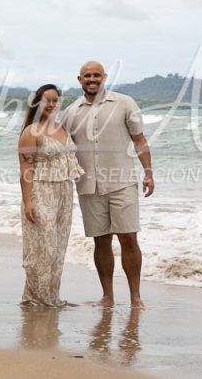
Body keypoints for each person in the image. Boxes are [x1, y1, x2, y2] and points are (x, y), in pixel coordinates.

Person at [63, 61, 154, 308]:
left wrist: (148, 172)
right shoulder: (71, 112)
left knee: (128, 238)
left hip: (122, 181)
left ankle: (135, 297)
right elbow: (61, 146)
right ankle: (107, 297)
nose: (92, 79)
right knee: (100, 241)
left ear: (104, 77)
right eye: (87, 76)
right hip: (88, 185)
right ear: (79, 79)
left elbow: (139, 139)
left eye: (96, 75)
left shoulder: (125, 103)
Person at [18, 84, 84, 307]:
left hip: (65, 191)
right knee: (42, 246)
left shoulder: (63, 128)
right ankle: (37, 297)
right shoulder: (31, 132)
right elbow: (25, 169)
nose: (52, 104)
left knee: (58, 246)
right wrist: (28, 202)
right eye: (47, 100)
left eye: (55, 100)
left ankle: (51, 297)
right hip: (41, 191)